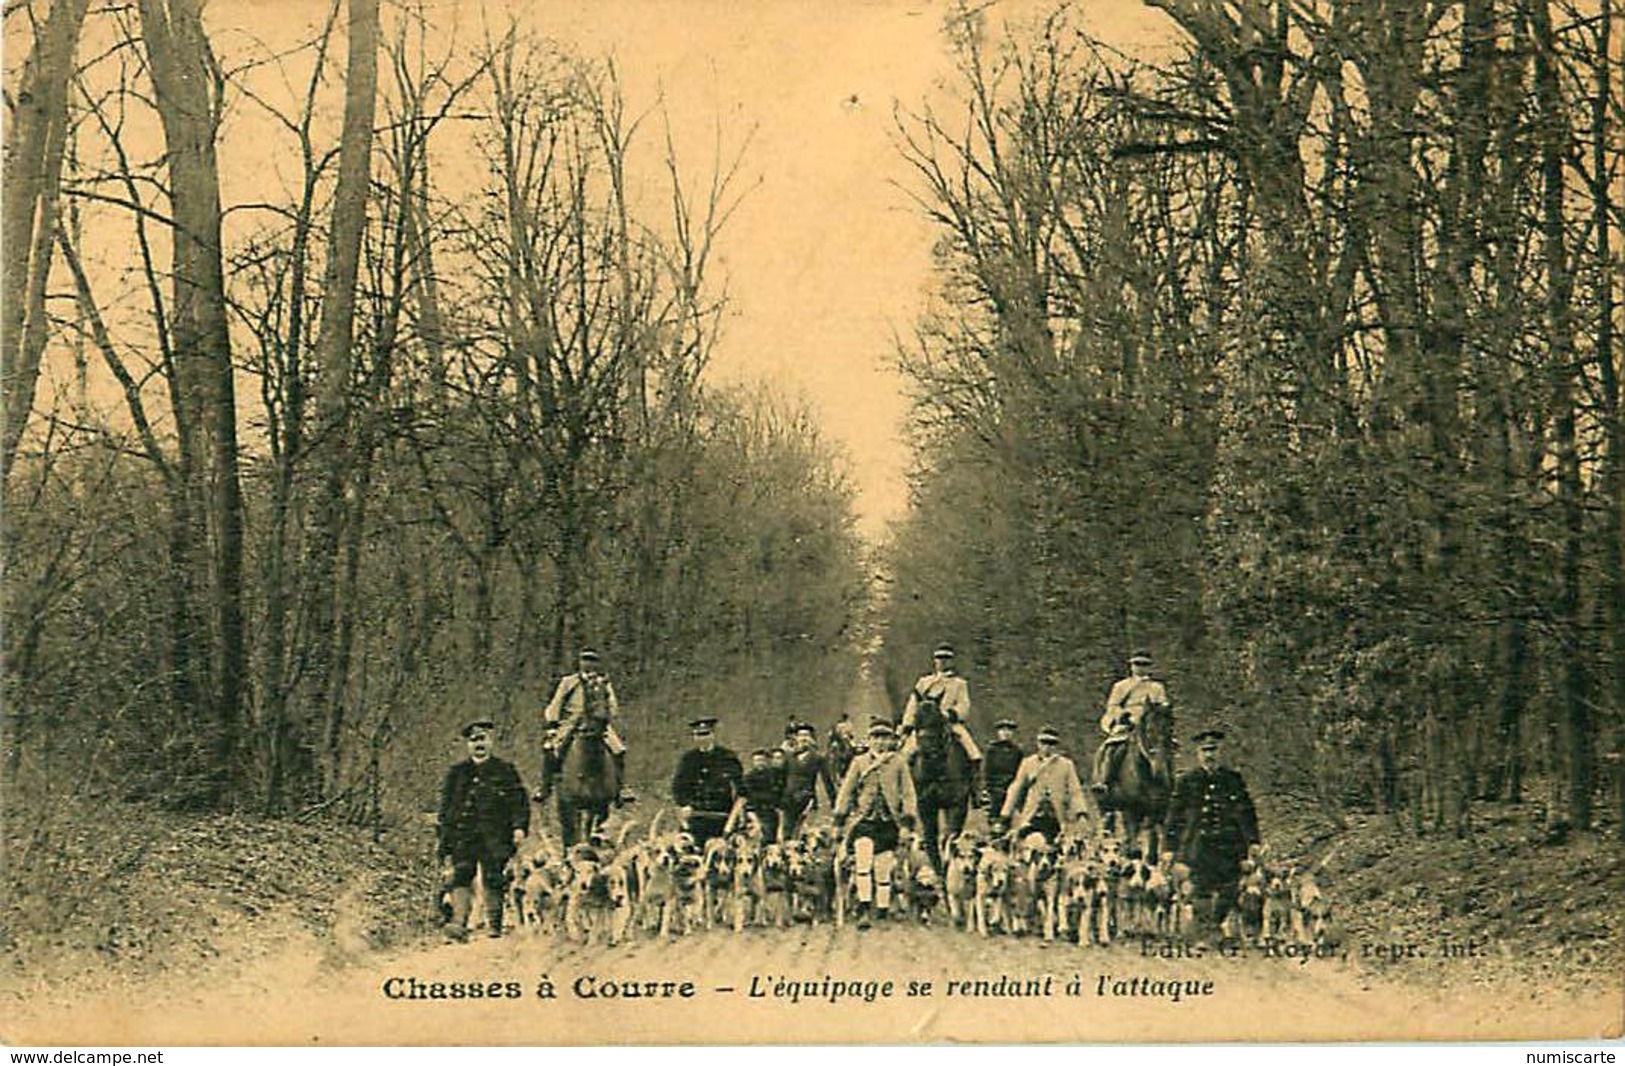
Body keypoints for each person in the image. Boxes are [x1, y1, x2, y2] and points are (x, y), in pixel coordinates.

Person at [436, 719, 530, 941]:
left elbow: (519, 802)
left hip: (495, 835)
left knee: (493, 877)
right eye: (473, 740)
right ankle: (458, 924)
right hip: (463, 835)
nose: (479, 744)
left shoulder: (505, 770)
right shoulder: (457, 772)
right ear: (468, 744)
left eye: (483, 739)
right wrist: (443, 834)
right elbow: (446, 806)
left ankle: (494, 924)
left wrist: (519, 827)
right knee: (461, 876)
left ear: (491, 742)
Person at [1164, 729, 1260, 935]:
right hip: (1199, 847)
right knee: (1200, 889)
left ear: (1220, 751)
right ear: (1198, 753)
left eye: (1213, 750)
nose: (1209, 755)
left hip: (1229, 846)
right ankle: (1205, 930)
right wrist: (1169, 848)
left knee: (1230, 889)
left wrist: (1253, 841)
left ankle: (1217, 923)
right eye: (1205, 751)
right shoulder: (1187, 780)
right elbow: (1174, 817)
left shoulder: (1232, 779)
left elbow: (1246, 812)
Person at [833, 720, 919, 929]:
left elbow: (908, 793)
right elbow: (846, 791)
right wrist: (840, 819)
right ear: (869, 740)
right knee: (862, 862)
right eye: (876, 738)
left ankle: (881, 909)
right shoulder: (859, 762)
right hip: (864, 821)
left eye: (885, 738)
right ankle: (863, 907)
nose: (880, 742)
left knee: (883, 866)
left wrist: (907, 822)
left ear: (891, 740)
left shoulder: (898, 763)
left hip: (889, 822)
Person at [539, 647, 632, 805]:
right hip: (571, 723)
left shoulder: (603, 683)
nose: (588, 664)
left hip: (599, 724)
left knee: (619, 749)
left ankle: (621, 787)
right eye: (585, 660)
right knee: (551, 748)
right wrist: (553, 723)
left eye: (592, 660)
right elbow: (556, 703)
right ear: (580, 662)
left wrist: (605, 713)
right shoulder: (569, 682)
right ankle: (545, 786)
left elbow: (613, 707)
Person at [1092, 649, 1171, 797]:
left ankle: (1171, 783)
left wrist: (1162, 711)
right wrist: (1123, 715)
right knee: (1113, 748)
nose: (1140, 667)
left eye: (1144, 664)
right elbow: (1113, 706)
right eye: (1137, 664)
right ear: (1131, 666)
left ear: (1149, 667)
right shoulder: (1121, 686)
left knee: (1168, 747)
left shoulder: (1157, 687)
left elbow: (1163, 705)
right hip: (1128, 723)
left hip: (1151, 723)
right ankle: (1105, 781)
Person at [997, 725, 1091, 842]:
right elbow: (1016, 788)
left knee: (1053, 847)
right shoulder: (1028, 763)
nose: (1047, 747)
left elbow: (1075, 791)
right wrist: (1005, 815)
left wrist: (1081, 813)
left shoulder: (1066, 765)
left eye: (1052, 744)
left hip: (1056, 816)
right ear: (1038, 744)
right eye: (1044, 743)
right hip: (1032, 814)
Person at [902, 644, 984, 763]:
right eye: (939, 658)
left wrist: (949, 714)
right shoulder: (924, 682)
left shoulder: (959, 684)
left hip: (948, 723)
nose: (942, 662)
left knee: (970, 747)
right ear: (935, 661)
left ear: (951, 662)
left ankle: (975, 771)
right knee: (906, 752)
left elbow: (963, 704)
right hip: (925, 725)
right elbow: (912, 704)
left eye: (946, 659)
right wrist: (908, 725)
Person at [671, 716, 743, 846]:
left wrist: (732, 821)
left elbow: (741, 792)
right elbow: (678, 788)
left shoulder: (727, 757)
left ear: (713, 735)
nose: (701, 738)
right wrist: (684, 808)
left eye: (705, 734)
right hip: (696, 818)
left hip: (721, 818)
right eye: (698, 735)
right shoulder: (688, 760)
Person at [780, 721, 837, 839]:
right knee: (787, 831)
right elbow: (780, 777)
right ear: (795, 738)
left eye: (806, 735)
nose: (803, 739)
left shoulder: (817, 758)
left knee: (805, 832)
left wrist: (834, 802)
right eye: (801, 735)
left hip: (807, 799)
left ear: (811, 738)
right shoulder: (788, 757)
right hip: (789, 800)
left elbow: (827, 780)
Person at [981, 718, 1025, 813]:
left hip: (1012, 786)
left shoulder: (1017, 751)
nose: (1006, 733)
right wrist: (988, 787)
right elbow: (986, 771)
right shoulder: (991, 750)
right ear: (998, 733)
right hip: (994, 787)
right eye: (1003, 730)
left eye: (1009, 730)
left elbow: (1020, 771)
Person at [741, 748, 784, 840]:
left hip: (771, 812)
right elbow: (746, 797)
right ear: (753, 762)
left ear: (767, 761)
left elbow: (779, 794)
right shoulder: (748, 777)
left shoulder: (774, 775)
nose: (759, 763)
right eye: (757, 760)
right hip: (755, 812)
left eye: (762, 760)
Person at [827, 713, 858, 785]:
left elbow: (850, 735)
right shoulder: (846, 725)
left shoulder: (842, 725)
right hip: (840, 744)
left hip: (843, 744)